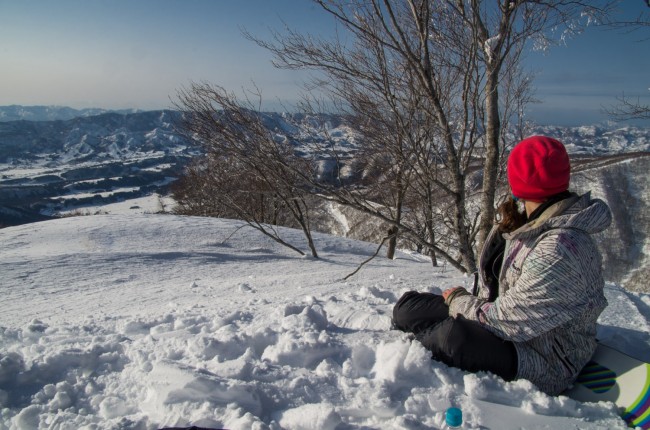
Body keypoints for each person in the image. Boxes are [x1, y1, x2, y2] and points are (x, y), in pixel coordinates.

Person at [392, 135, 612, 395]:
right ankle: (422, 338)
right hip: (502, 322)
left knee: (452, 337)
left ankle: (402, 365)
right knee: (408, 309)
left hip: (544, 356)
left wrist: (458, 302)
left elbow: (508, 322)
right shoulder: (527, 223)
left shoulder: (560, 248)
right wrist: (462, 303)